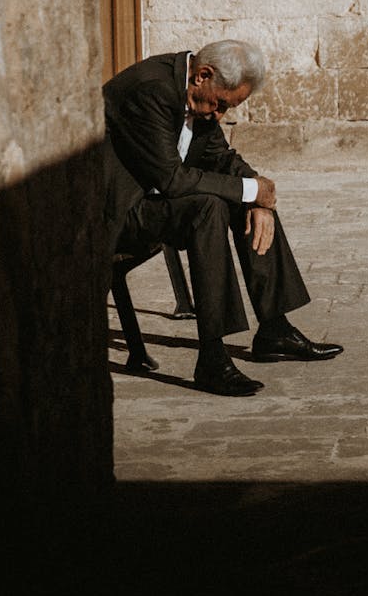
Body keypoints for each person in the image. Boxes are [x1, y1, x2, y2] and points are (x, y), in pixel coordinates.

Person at [103, 40, 343, 396]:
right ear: (203, 76)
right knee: (208, 208)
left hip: (155, 202)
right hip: (117, 213)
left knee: (239, 198)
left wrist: (260, 195)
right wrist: (250, 190)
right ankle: (212, 358)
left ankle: (273, 327)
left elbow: (220, 156)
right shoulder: (151, 91)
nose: (219, 116)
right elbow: (173, 180)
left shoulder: (197, 94)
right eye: (220, 105)